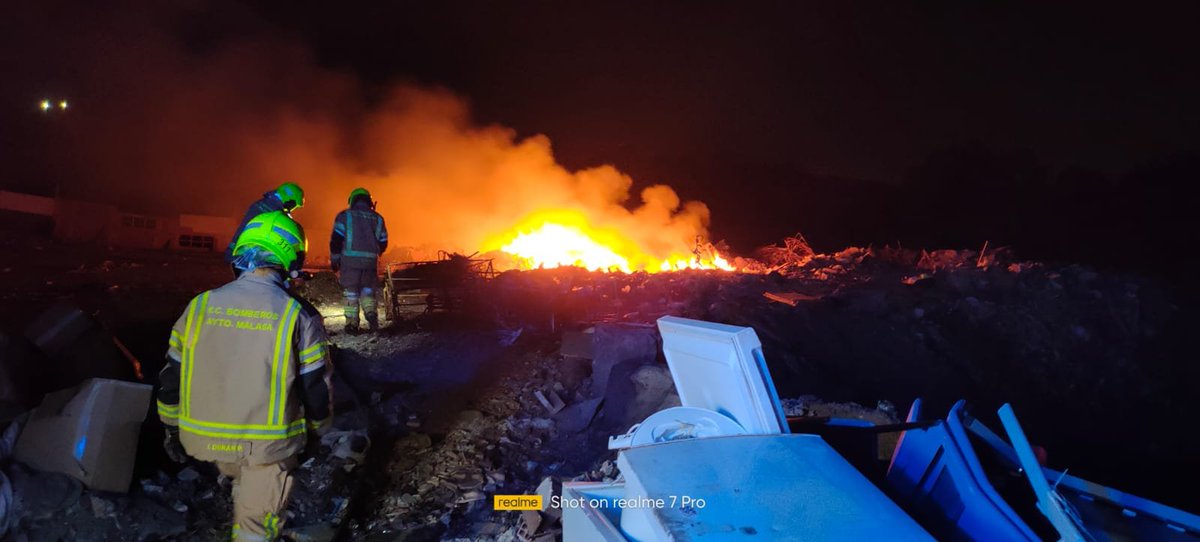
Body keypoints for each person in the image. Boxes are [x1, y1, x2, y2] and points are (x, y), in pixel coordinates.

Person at [157, 210, 333, 541]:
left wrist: (170, 428)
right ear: (290, 258)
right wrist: (318, 431)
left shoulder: (199, 305)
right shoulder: (299, 314)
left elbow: (171, 377)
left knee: (241, 481)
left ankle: (236, 490)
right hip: (266, 447)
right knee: (257, 525)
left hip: (201, 438)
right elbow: (315, 388)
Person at [329, 187, 388, 333]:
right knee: (367, 291)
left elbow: (336, 241)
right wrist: (375, 252)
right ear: (369, 201)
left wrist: (335, 260)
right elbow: (383, 241)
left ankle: (352, 325)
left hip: (349, 262)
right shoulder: (378, 218)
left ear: (352, 201)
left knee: (351, 292)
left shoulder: (345, 216)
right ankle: (371, 315)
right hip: (369, 262)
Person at [226, 182, 305, 263]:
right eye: (294, 205)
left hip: (241, 250)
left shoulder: (262, 204)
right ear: (288, 199)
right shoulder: (275, 213)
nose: (293, 208)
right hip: (250, 254)